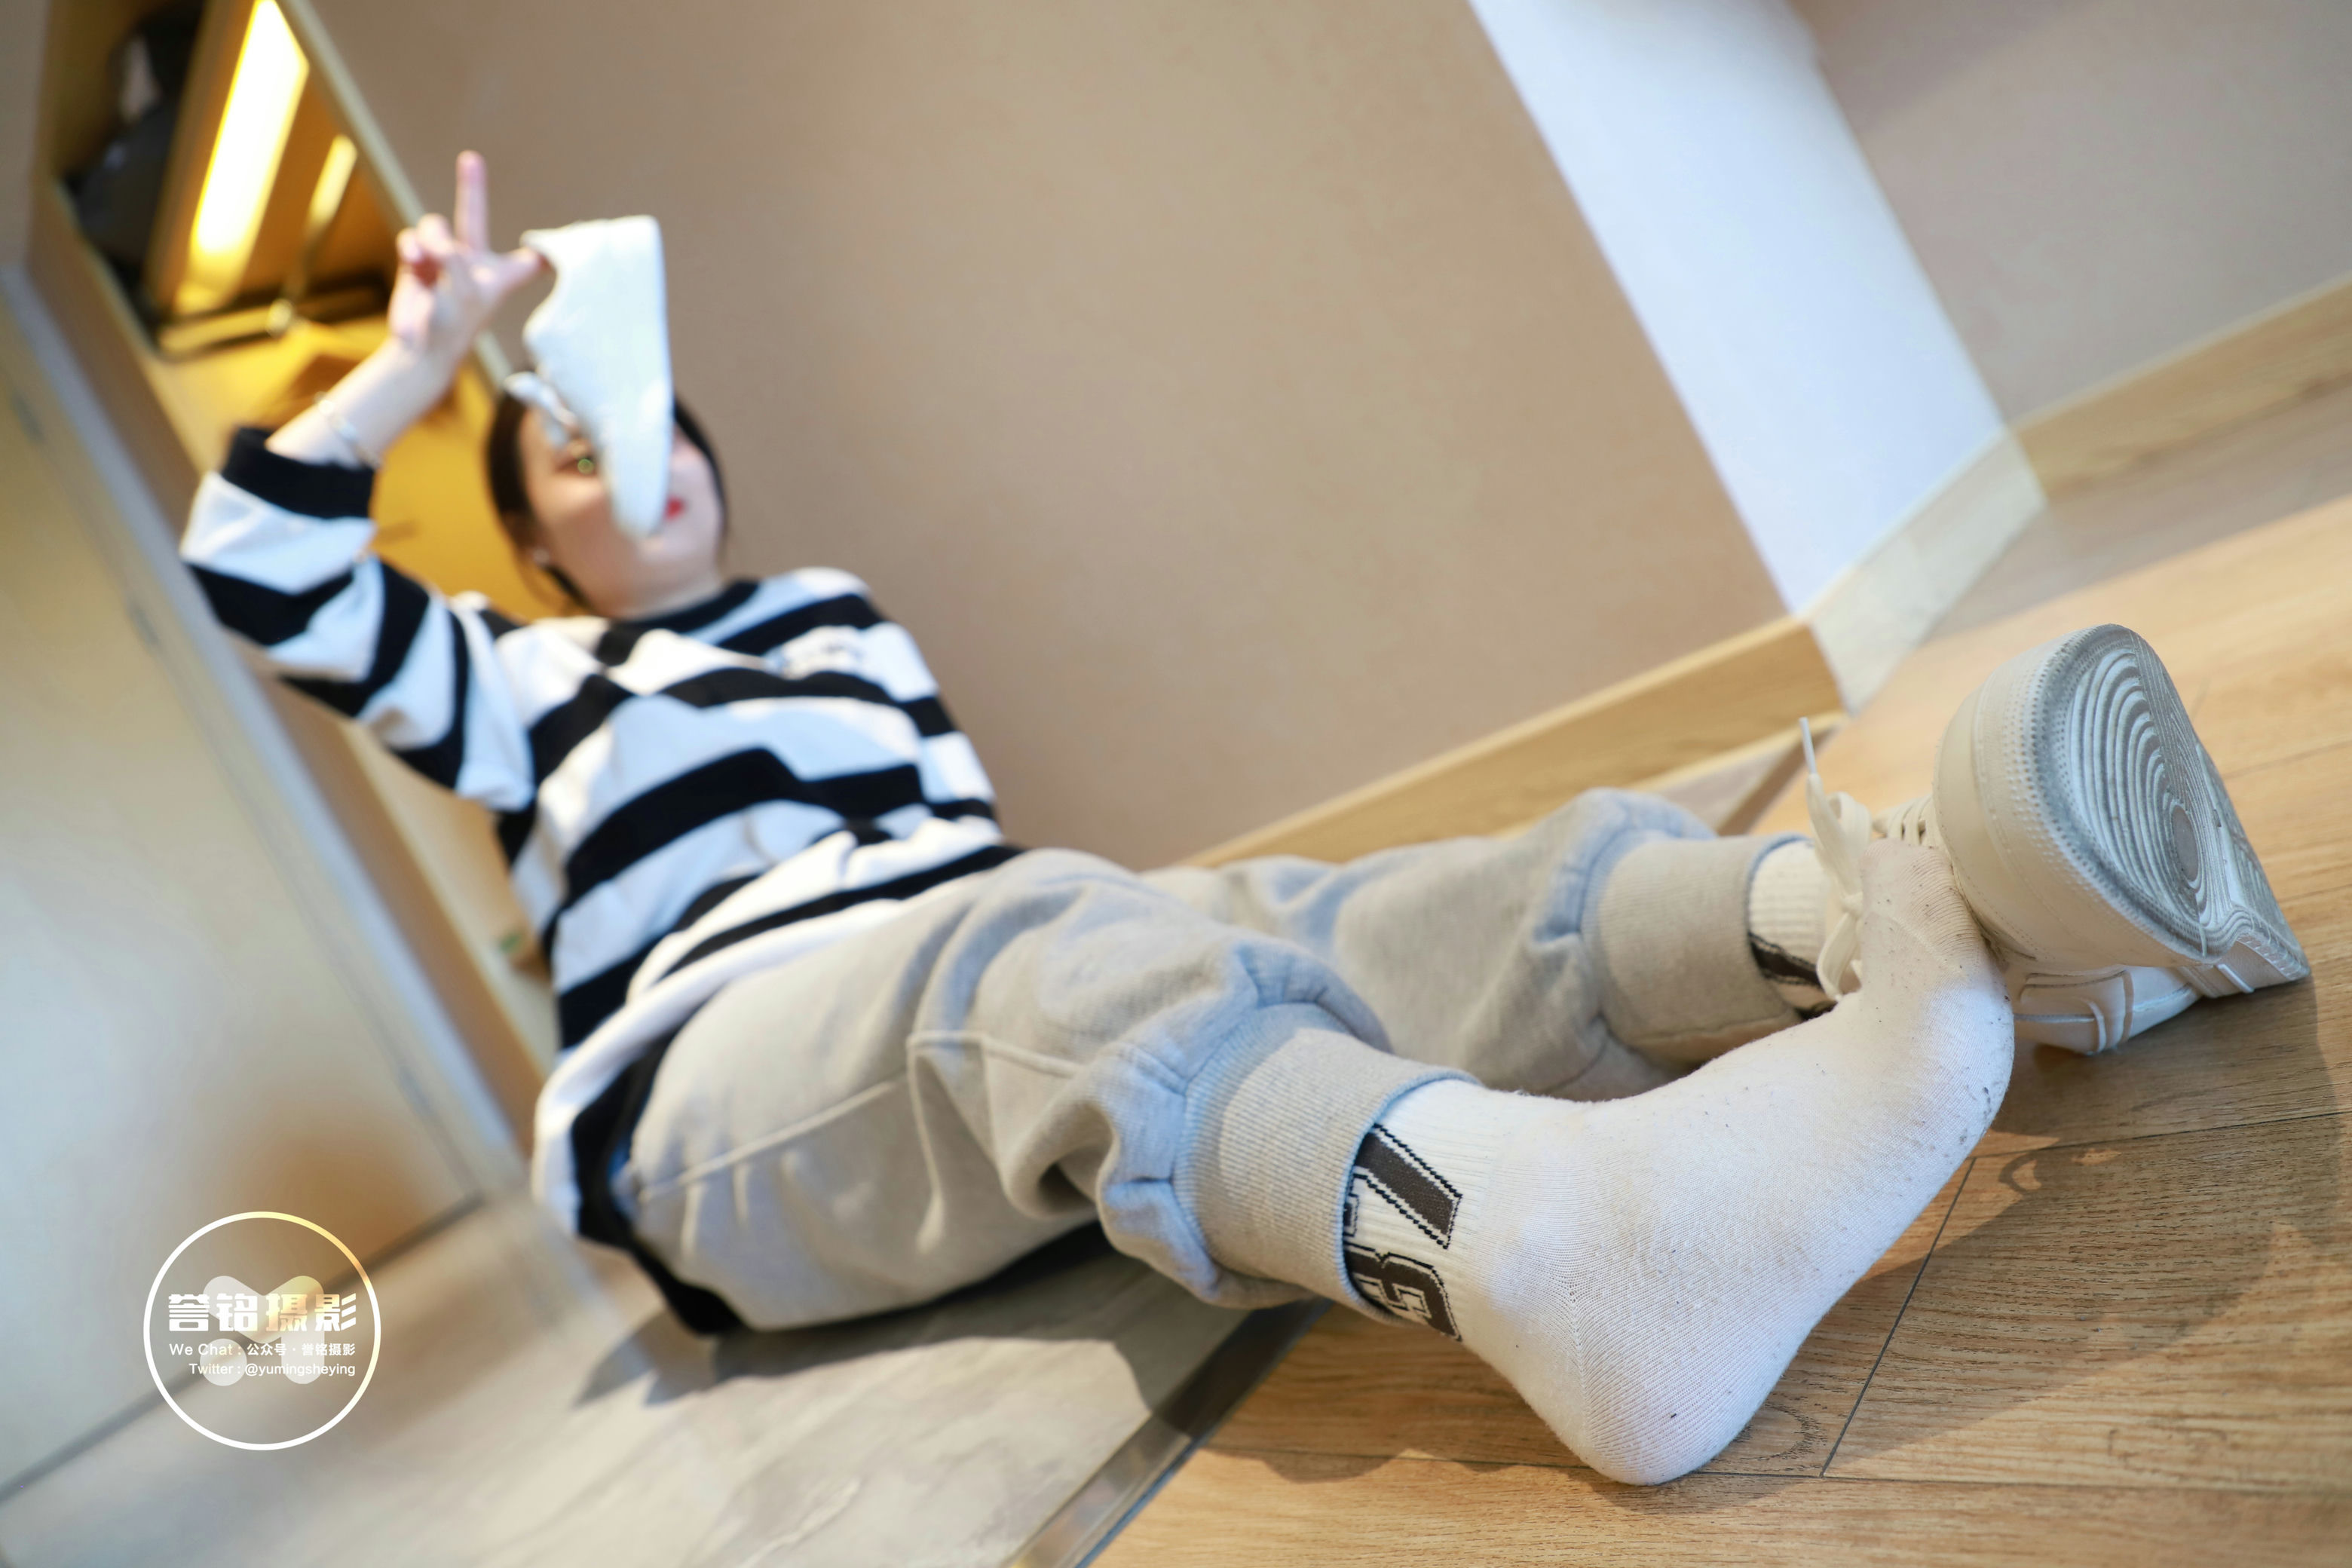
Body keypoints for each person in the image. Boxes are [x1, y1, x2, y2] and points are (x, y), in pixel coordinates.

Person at [180, 154, 2308, 1487]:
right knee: (1017, 958)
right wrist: (430, 356)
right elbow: (256, 568)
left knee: (1315, 913)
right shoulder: (524, 683)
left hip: (977, 968)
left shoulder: (835, 625)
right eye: (567, 455)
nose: (626, 460)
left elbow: (1008, 888)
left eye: (652, 433)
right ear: (531, 541)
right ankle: (1551, 1244)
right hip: (728, 1096)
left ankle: (1894, 919)